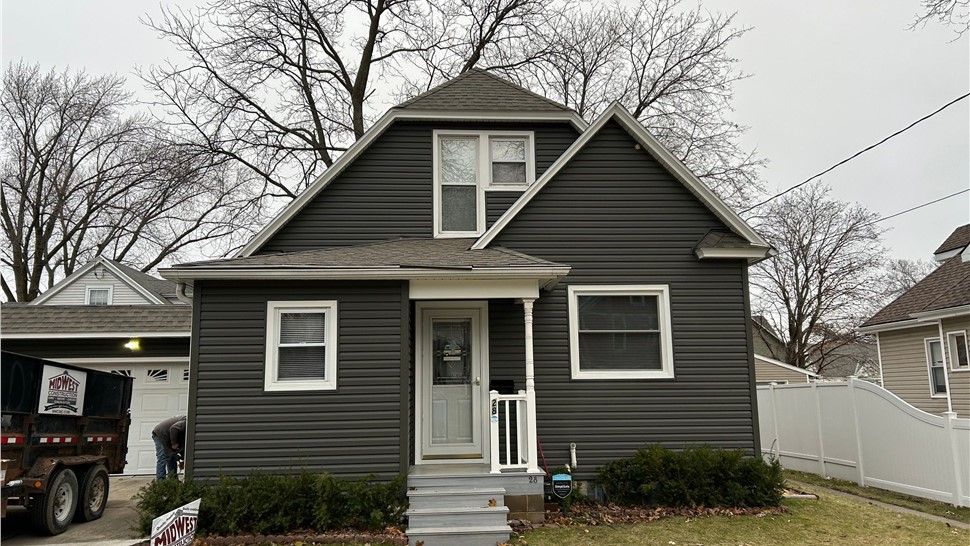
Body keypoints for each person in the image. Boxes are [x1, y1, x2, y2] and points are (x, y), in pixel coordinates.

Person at [152, 415, 186, 480]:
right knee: (162, 457)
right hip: (160, 434)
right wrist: (174, 443)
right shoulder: (186, 422)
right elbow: (174, 428)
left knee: (171, 457)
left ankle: (173, 480)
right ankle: (161, 481)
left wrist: (182, 457)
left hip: (168, 436)